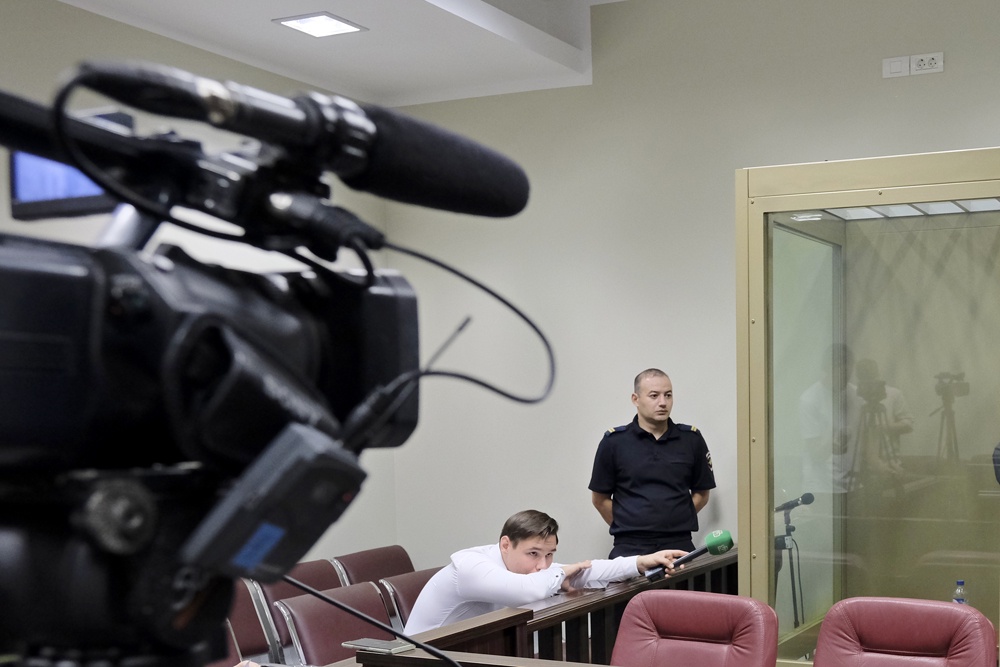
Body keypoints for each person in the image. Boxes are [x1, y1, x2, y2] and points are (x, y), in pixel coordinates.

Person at [402, 509, 686, 634]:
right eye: (533, 554)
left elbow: (583, 570)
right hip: (417, 661)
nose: (542, 565)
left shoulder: (530, 567)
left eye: (550, 555)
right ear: (505, 544)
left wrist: (641, 562)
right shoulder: (470, 566)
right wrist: (560, 575)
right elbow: (526, 591)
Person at [588, 368, 717, 558]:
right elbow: (599, 499)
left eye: (668, 395)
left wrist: (677, 518)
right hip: (630, 548)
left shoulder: (691, 439)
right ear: (636, 399)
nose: (663, 402)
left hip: (678, 544)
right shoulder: (614, 442)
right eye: (654, 396)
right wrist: (628, 525)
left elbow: (702, 493)